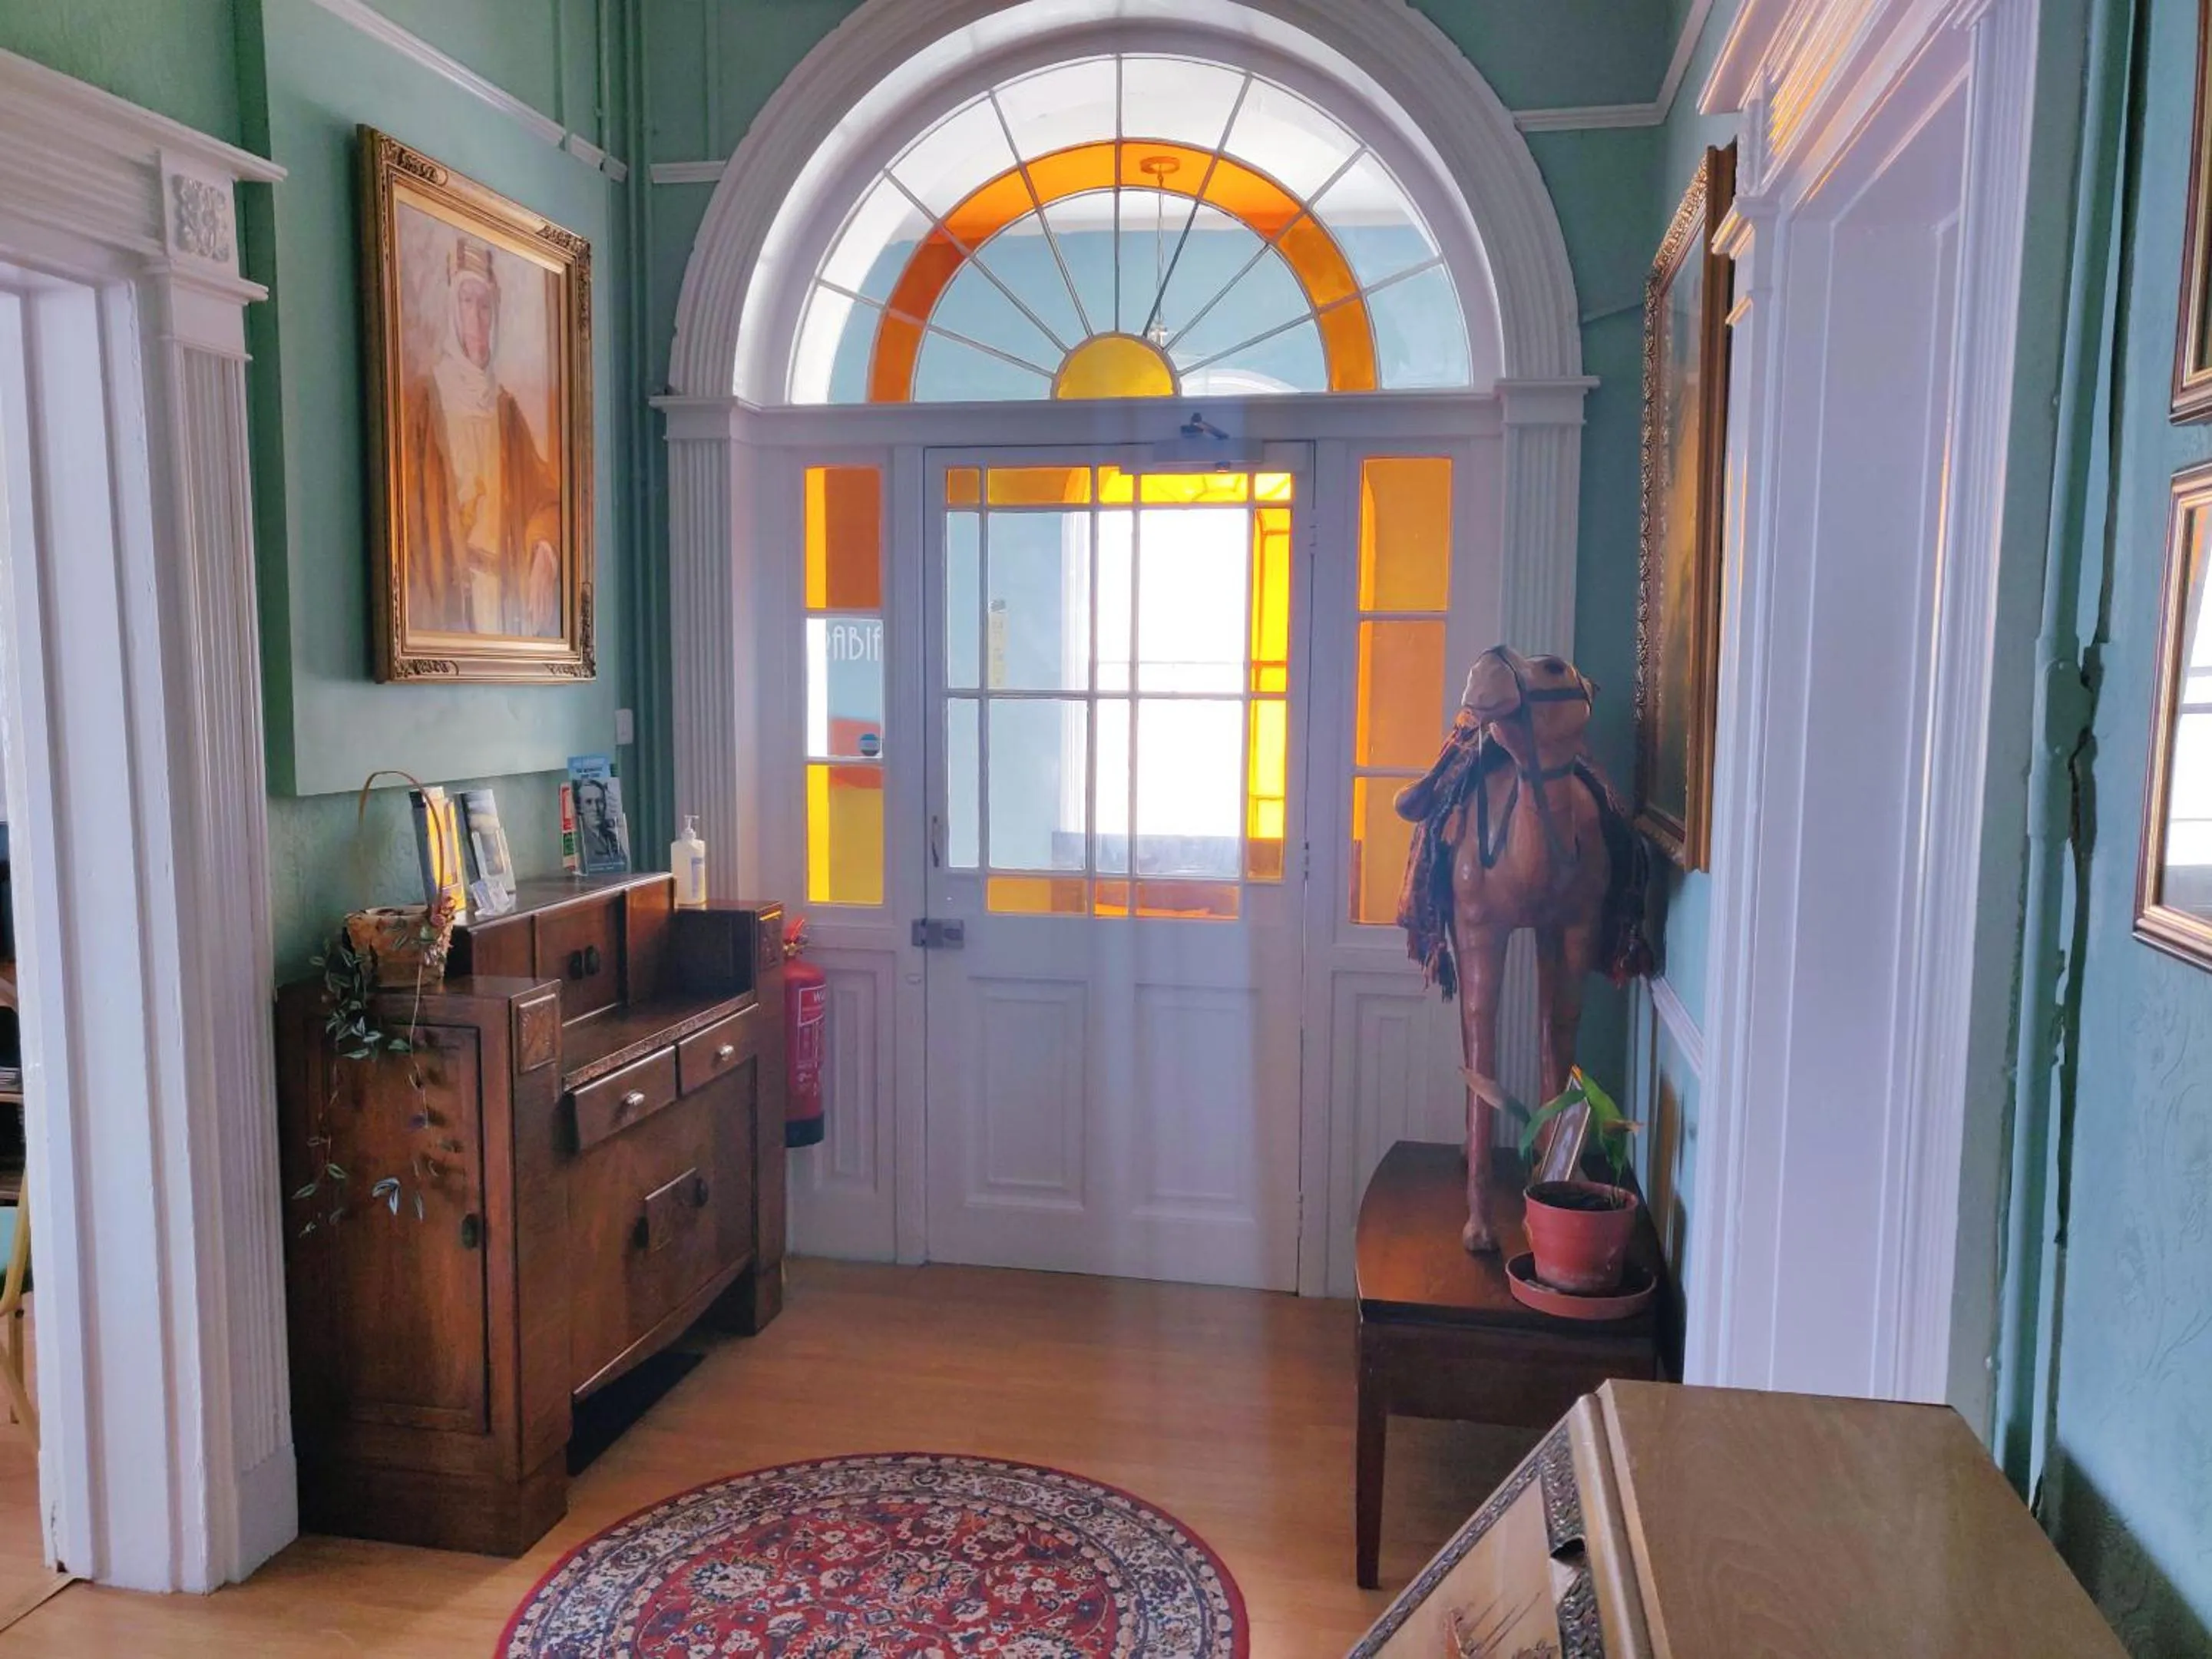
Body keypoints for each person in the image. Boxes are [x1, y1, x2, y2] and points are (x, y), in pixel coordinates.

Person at [403, 234, 564, 638]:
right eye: (466, 302)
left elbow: (547, 499)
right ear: (451, 310)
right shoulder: (426, 401)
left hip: (502, 599)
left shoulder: (505, 411)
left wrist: (545, 552)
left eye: (485, 306)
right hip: (449, 595)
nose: (477, 319)